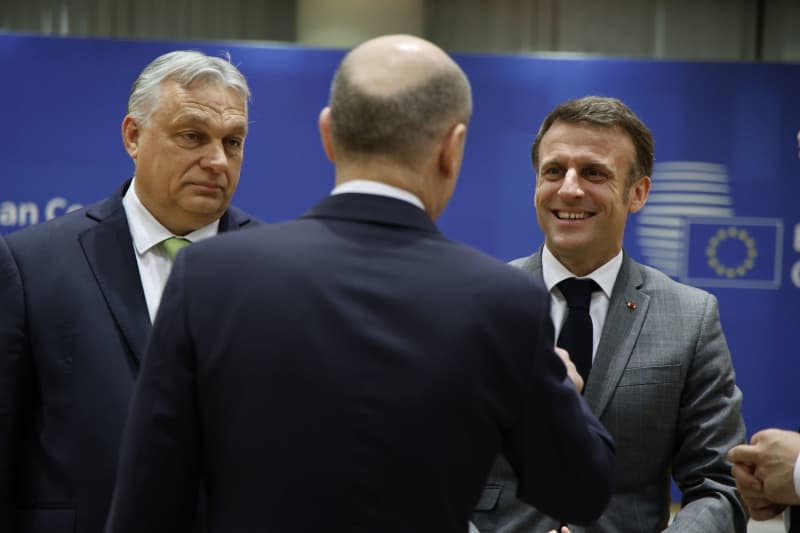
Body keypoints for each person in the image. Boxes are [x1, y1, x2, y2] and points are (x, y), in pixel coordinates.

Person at [103, 34, 616, 533]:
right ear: (452, 149)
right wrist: (560, 385)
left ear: (328, 134)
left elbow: (148, 503)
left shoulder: (208, 278)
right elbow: (580, 490)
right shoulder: (505, 303)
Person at [0, 50, 259, 533]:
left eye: (234, 141)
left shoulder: (278, 270)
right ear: (133, 136)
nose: (217, 160)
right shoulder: (32, 265)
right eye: (192, 136)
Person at [471, 96, 747, 533]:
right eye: (554, 171)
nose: (569, 189)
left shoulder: (690, 317)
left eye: (594, 172)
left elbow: (718, 485)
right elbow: (429, 465)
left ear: (638, 192)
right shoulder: (476, 305)